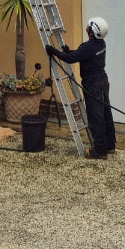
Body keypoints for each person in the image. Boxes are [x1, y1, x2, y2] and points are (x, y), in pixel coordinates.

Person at [46, 17, 116, 158]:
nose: (87, 26)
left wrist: (54, 51)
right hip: (102, 81)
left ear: (91, 30)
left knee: (96, 117)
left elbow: (72, 59)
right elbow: (82, 55)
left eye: (89, 26)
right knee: (106, 113)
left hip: (93, 85)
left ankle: (100, 152)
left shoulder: (88, 46)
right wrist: (69, 51)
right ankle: (110, 146)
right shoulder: (101, 44)